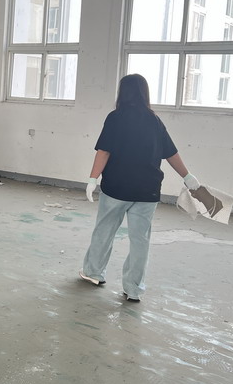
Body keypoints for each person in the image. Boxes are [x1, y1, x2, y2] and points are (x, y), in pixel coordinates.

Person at [80, 74, 201, 302]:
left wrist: (92, 179)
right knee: (140, 241)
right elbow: (171, 152)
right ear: (145, 93)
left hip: (116, 188)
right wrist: (187, 176)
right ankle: (133, 289)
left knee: (104, 232)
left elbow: (104, 151)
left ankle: (94, 273)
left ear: (122, 92)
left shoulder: (115, 118)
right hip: (147, 191)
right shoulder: (154, 121)